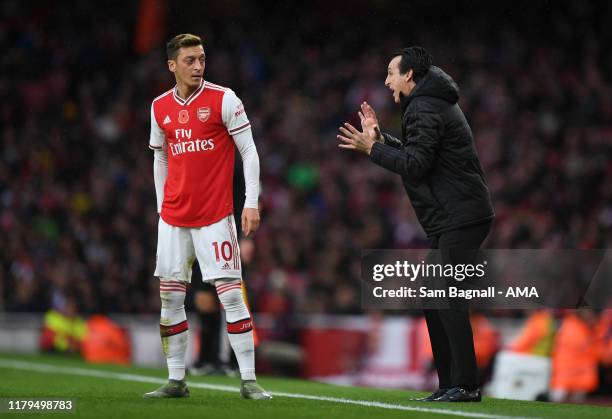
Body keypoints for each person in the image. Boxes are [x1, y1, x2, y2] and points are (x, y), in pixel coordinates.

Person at [338, 46, 494, 402]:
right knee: (432, 294)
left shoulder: (425, 105)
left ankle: (466, 385)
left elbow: (416, 165)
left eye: (391, 72)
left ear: (409, 75)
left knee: (445, 296)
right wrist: (381, 139)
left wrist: (372, 150)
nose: (386, 80)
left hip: (461, 215)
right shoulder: (428, 102)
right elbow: (418, 154)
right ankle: (451, 384)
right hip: (453, 215)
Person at [143, 34, 271, 400]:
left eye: (201, 59)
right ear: (173, 65)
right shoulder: (159, 107)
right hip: (173, 218)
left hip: (215, 216)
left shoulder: (224, 99)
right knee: (170, 298)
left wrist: (250, 202)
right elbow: (160, 157)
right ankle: (176, 380)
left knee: (231, 296)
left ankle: (248, 380)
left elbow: (249, 152)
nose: (198, 66)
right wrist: (159, 207)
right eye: (190, 60)